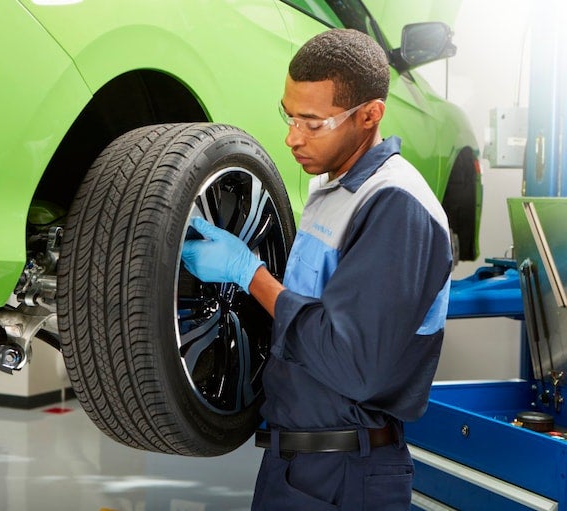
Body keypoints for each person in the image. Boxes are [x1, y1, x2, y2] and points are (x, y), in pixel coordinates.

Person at [181, 28, 452, 511]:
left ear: (370, 115)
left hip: (347, 476)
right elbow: (312, 306)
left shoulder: (395, 206)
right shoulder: (334, 190)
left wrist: (251, 275)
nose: (291, 137)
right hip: (296, 465)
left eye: (312, 122)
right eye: (289, 115)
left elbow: (353, 363)